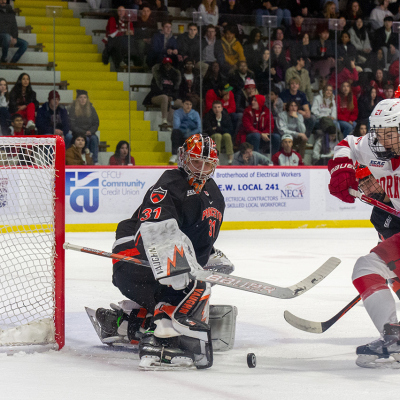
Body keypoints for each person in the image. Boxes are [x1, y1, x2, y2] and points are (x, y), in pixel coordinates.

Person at [93, 134, 230, 370]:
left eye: (207, 164)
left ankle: (130, 322)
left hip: (155, 268)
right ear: (184, 159)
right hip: (135, 262)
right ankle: (162, 339)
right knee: (189, 288)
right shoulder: (170, 183)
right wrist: (176, 263)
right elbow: (155, 230)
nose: (201, 170)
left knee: (185, 285)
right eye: (196, 162)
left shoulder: (215, 195)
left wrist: (201, 259)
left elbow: (199, 233)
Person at [327, 89, 400, 368]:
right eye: (378, 131)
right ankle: (394, 336)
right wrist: (342, 170)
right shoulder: (378, 145)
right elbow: (347, 143)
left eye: (388, 132)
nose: (380, 138)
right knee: (367, 268)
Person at [143, 57, 182, 130]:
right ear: (163, 65)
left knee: (179, 103)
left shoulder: (174, 76)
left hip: (170, 99)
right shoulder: (157, 76)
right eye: (166, 64)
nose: (168, 66)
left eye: (169, 64)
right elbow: (155, 89)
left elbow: (176, 91)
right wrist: (167, 95)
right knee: (165, 98)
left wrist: (172, 97)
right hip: (156, 97)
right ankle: (164, 120)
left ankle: (171, 121)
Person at [68, 90, 100, 164]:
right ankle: (84, 159)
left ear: (87, 99)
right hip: (77, 133)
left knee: (94, 139)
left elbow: (96, 123)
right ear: (77, 99)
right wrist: (82, 132)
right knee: (86, 140)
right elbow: (72, 124)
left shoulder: (91, 109)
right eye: (81, 97)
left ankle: (94, 161)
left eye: (85, 97)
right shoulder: (73, 109)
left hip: (89, 133)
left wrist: (91, 131)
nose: (83, 99)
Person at [169, 98, 202, 163]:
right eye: (187, 104)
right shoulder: (177, 112)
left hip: (192, 134)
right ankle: (175, 155)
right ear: (182, 104)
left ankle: (190, 157)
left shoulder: (195, 114)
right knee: (175, 132)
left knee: (196, 136)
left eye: (190, 104)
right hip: (181, 133)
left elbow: (199, 128)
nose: (188, 106)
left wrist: (189, 133)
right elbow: (176, 126)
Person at [203, 100, 234, 164]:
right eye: (215, 107)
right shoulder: (208, 116)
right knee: (217, 135)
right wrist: (220, 129)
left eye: (218, 107)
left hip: (224, 139)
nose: (217, 109)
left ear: (222, 108)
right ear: (212, 108)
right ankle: (216, 159)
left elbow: (230, 130)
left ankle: (230, 159)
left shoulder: (226, 116)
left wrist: (217, 128)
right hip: (213, 139)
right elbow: (208, 130)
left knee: (227, 135)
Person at [0, 0, 28, 64]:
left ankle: (13, 62)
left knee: (24, 44)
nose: (3, 1)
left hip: (9, 37)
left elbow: (14, 26)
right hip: (2, 36)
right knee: (6, 37)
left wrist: (14, 37)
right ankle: (4, 58)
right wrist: (9, 36)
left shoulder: (11, 13)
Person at [132, 3, 157, 67]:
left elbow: (155, 33)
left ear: (150, 12)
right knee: (141, 44)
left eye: (147, 11)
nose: (145, 13)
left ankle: (150, 65)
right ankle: (140, 65)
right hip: (139, 39)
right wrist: (143, 39)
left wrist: (150, 39)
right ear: (141, 11)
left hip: (150, 40)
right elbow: (135, 33)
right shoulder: (136, 21)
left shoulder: (153, 22)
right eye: (144, 11)